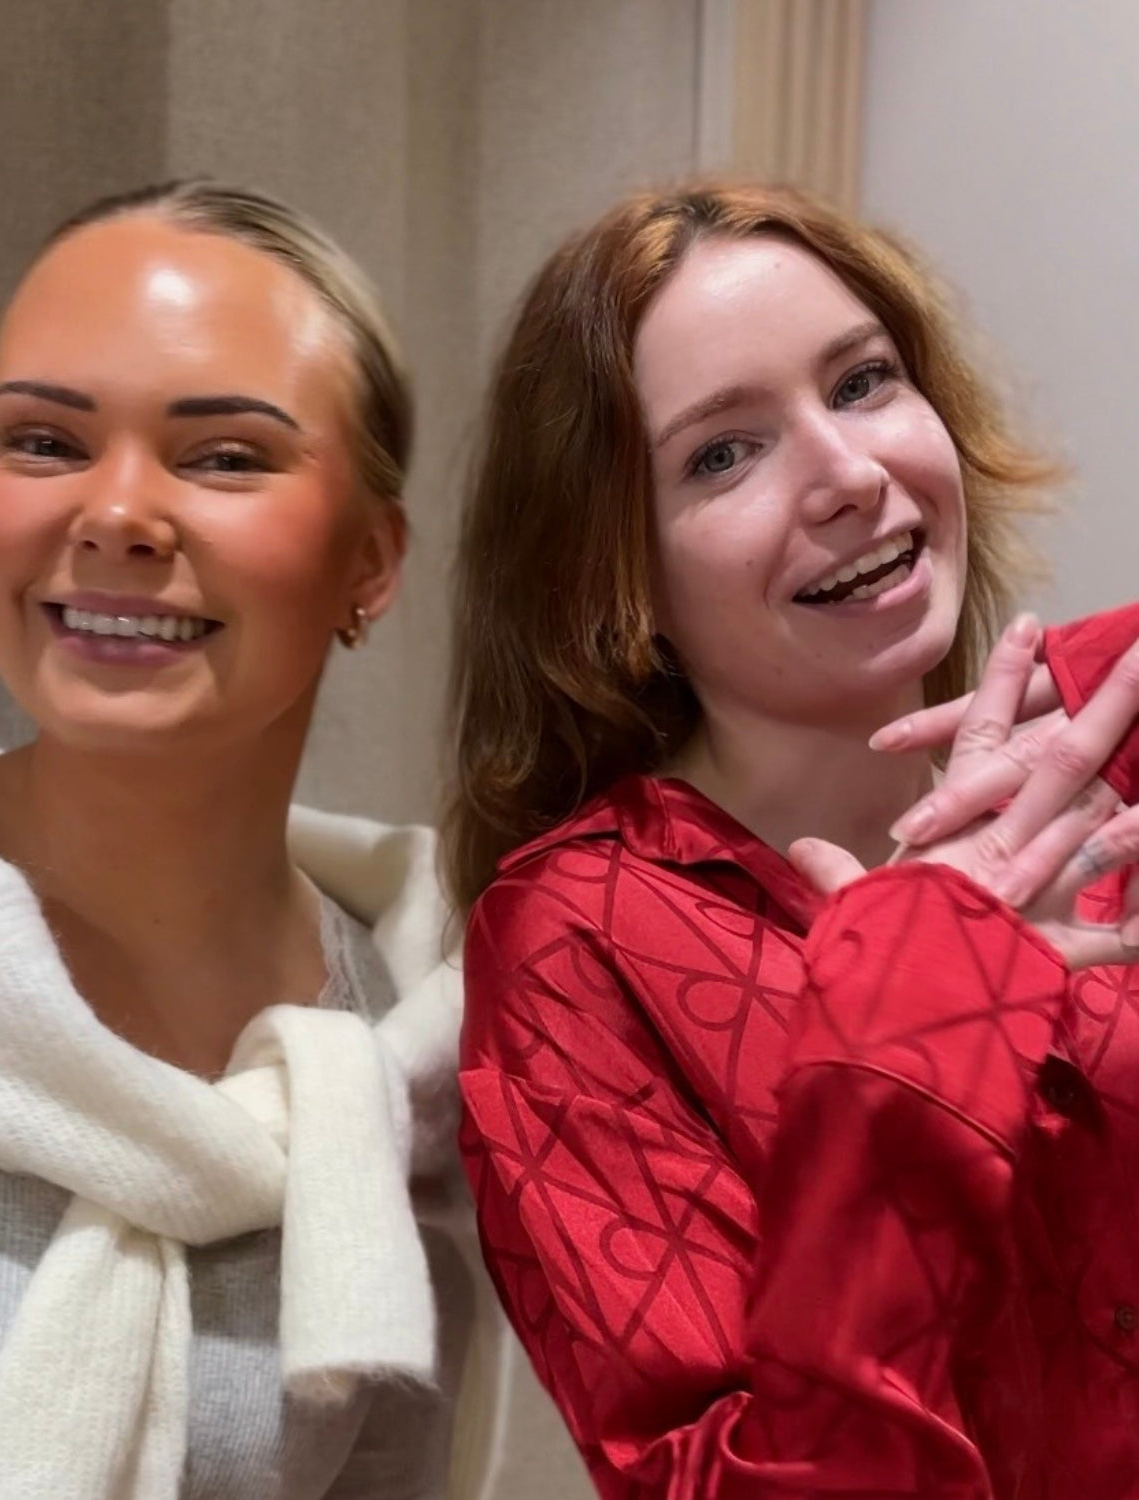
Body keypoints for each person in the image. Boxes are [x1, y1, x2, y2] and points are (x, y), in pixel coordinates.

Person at [446, 178, 1139, 1498]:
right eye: (723, 453)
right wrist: (920, 1022)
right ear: (617, 575)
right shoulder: (576, 948)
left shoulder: (1099, 784)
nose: (848, 475)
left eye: (864, 383)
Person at [0, 180, 502, 1500]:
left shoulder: (410, 1066)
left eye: (224, 457)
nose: (116, 512)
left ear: (371, 562)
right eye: (44, 442)